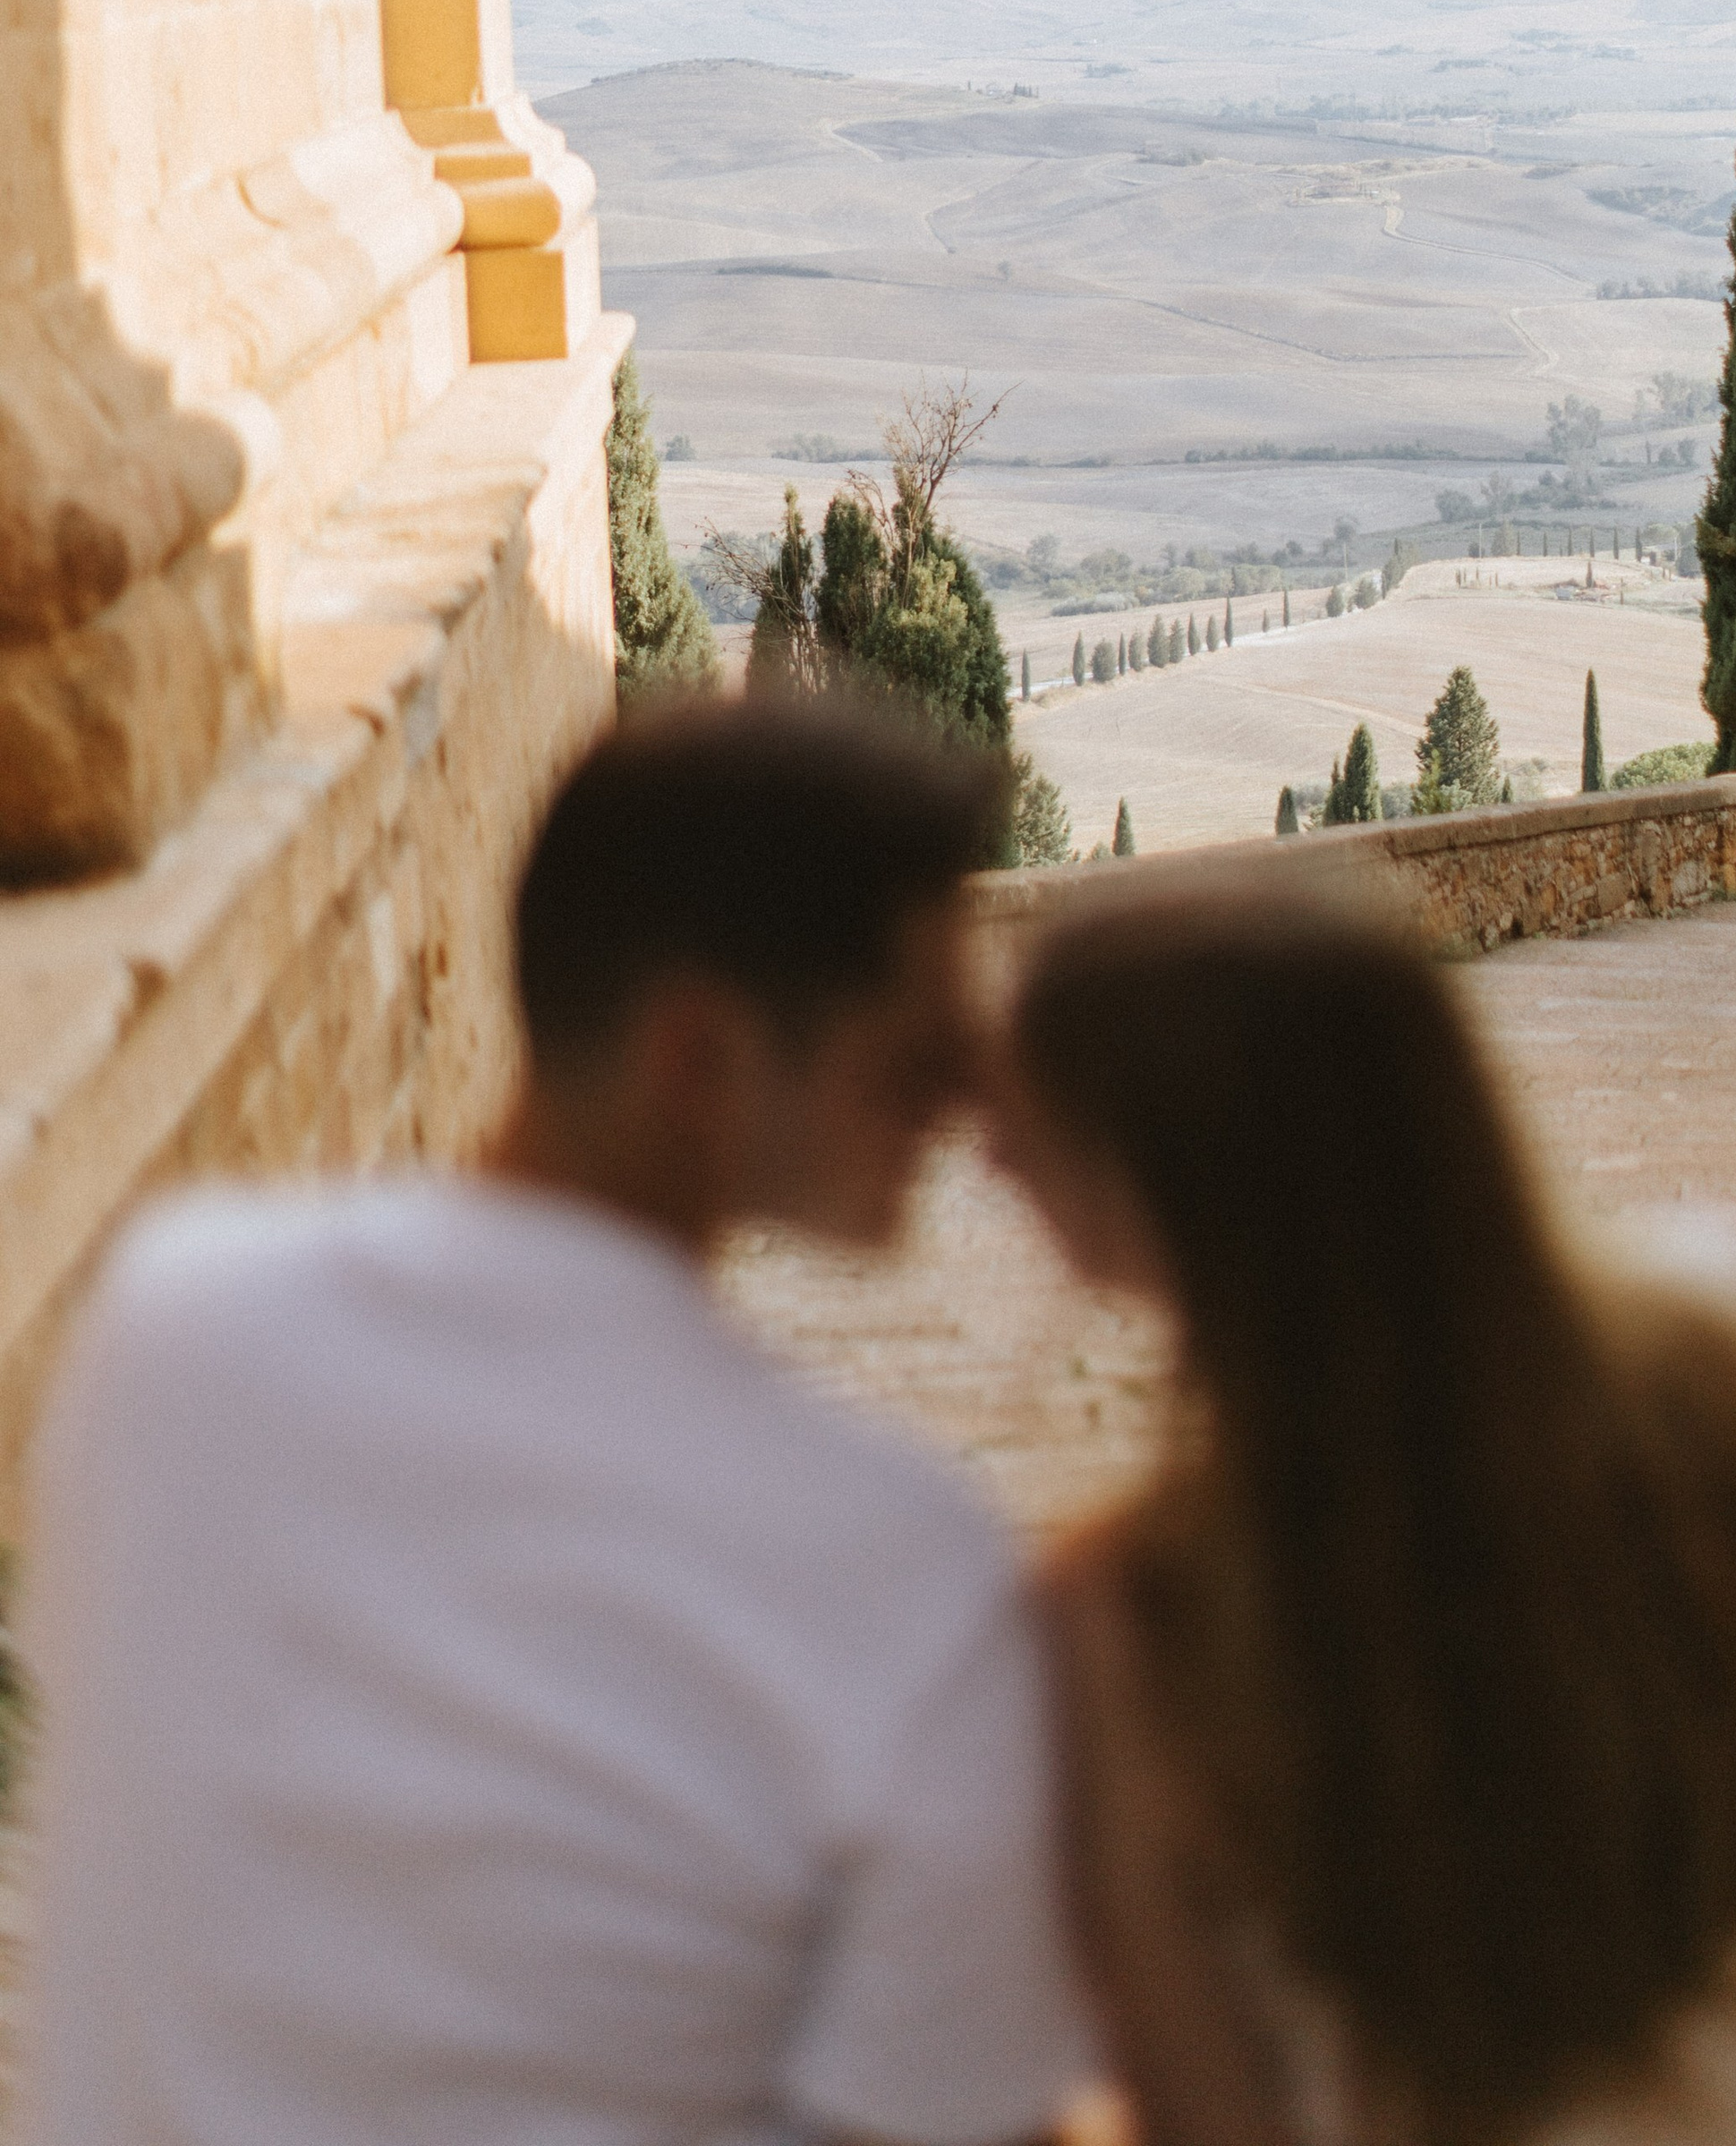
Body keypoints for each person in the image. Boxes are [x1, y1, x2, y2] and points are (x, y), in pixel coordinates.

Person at [21, 693, 1092, 2146]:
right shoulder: (900, 1574)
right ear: (696, 1061)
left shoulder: (166, 1324)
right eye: (917, 1061)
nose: (968, 1098)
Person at [992, 897, 1736, 2146]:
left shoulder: (1136, 1613)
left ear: (1167, 1191)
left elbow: (1211, 2118)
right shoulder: (1710, 1376)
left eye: (1034, 1131)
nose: (993, 1157)